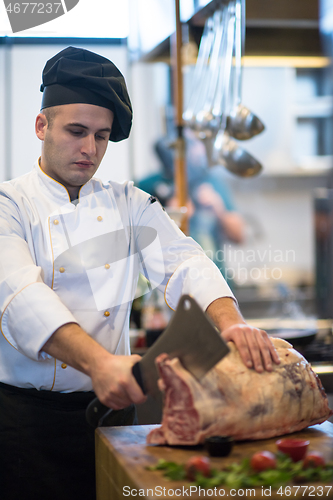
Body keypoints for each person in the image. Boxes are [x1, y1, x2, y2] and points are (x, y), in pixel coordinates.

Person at [0, 47, 280, 500]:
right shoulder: (8, 204)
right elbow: (19, 297)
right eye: (76, 131)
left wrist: (233, 324)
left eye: (102, 136)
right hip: (28, 424)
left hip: (114, 415)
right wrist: (100, 364)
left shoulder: (126, 201)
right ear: (41, 126)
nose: (90, 149)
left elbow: (183, 261)